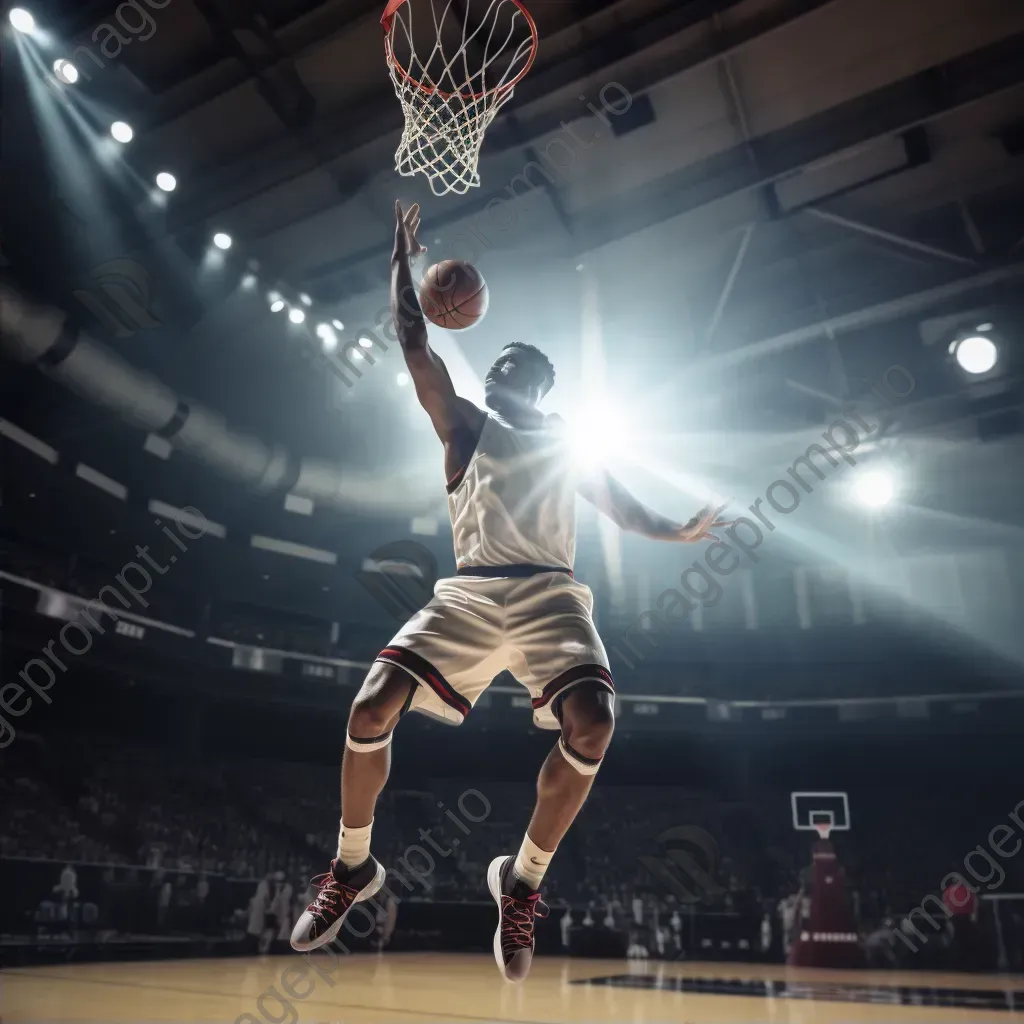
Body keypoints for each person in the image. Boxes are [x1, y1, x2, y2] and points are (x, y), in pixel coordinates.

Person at [291, 201, 733, 982]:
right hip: (467, 594)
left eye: (506, 367)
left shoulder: (568, 447)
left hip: (550, 597)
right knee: (367, 708)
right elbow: (410, 336)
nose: (490, 372)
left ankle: (522, 879)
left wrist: (680, 532)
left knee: (595, 721)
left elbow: (625, 511)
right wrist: (401, 259)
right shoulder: (463, 425)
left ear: (536, 383)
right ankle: (352, 866)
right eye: (489, 364)